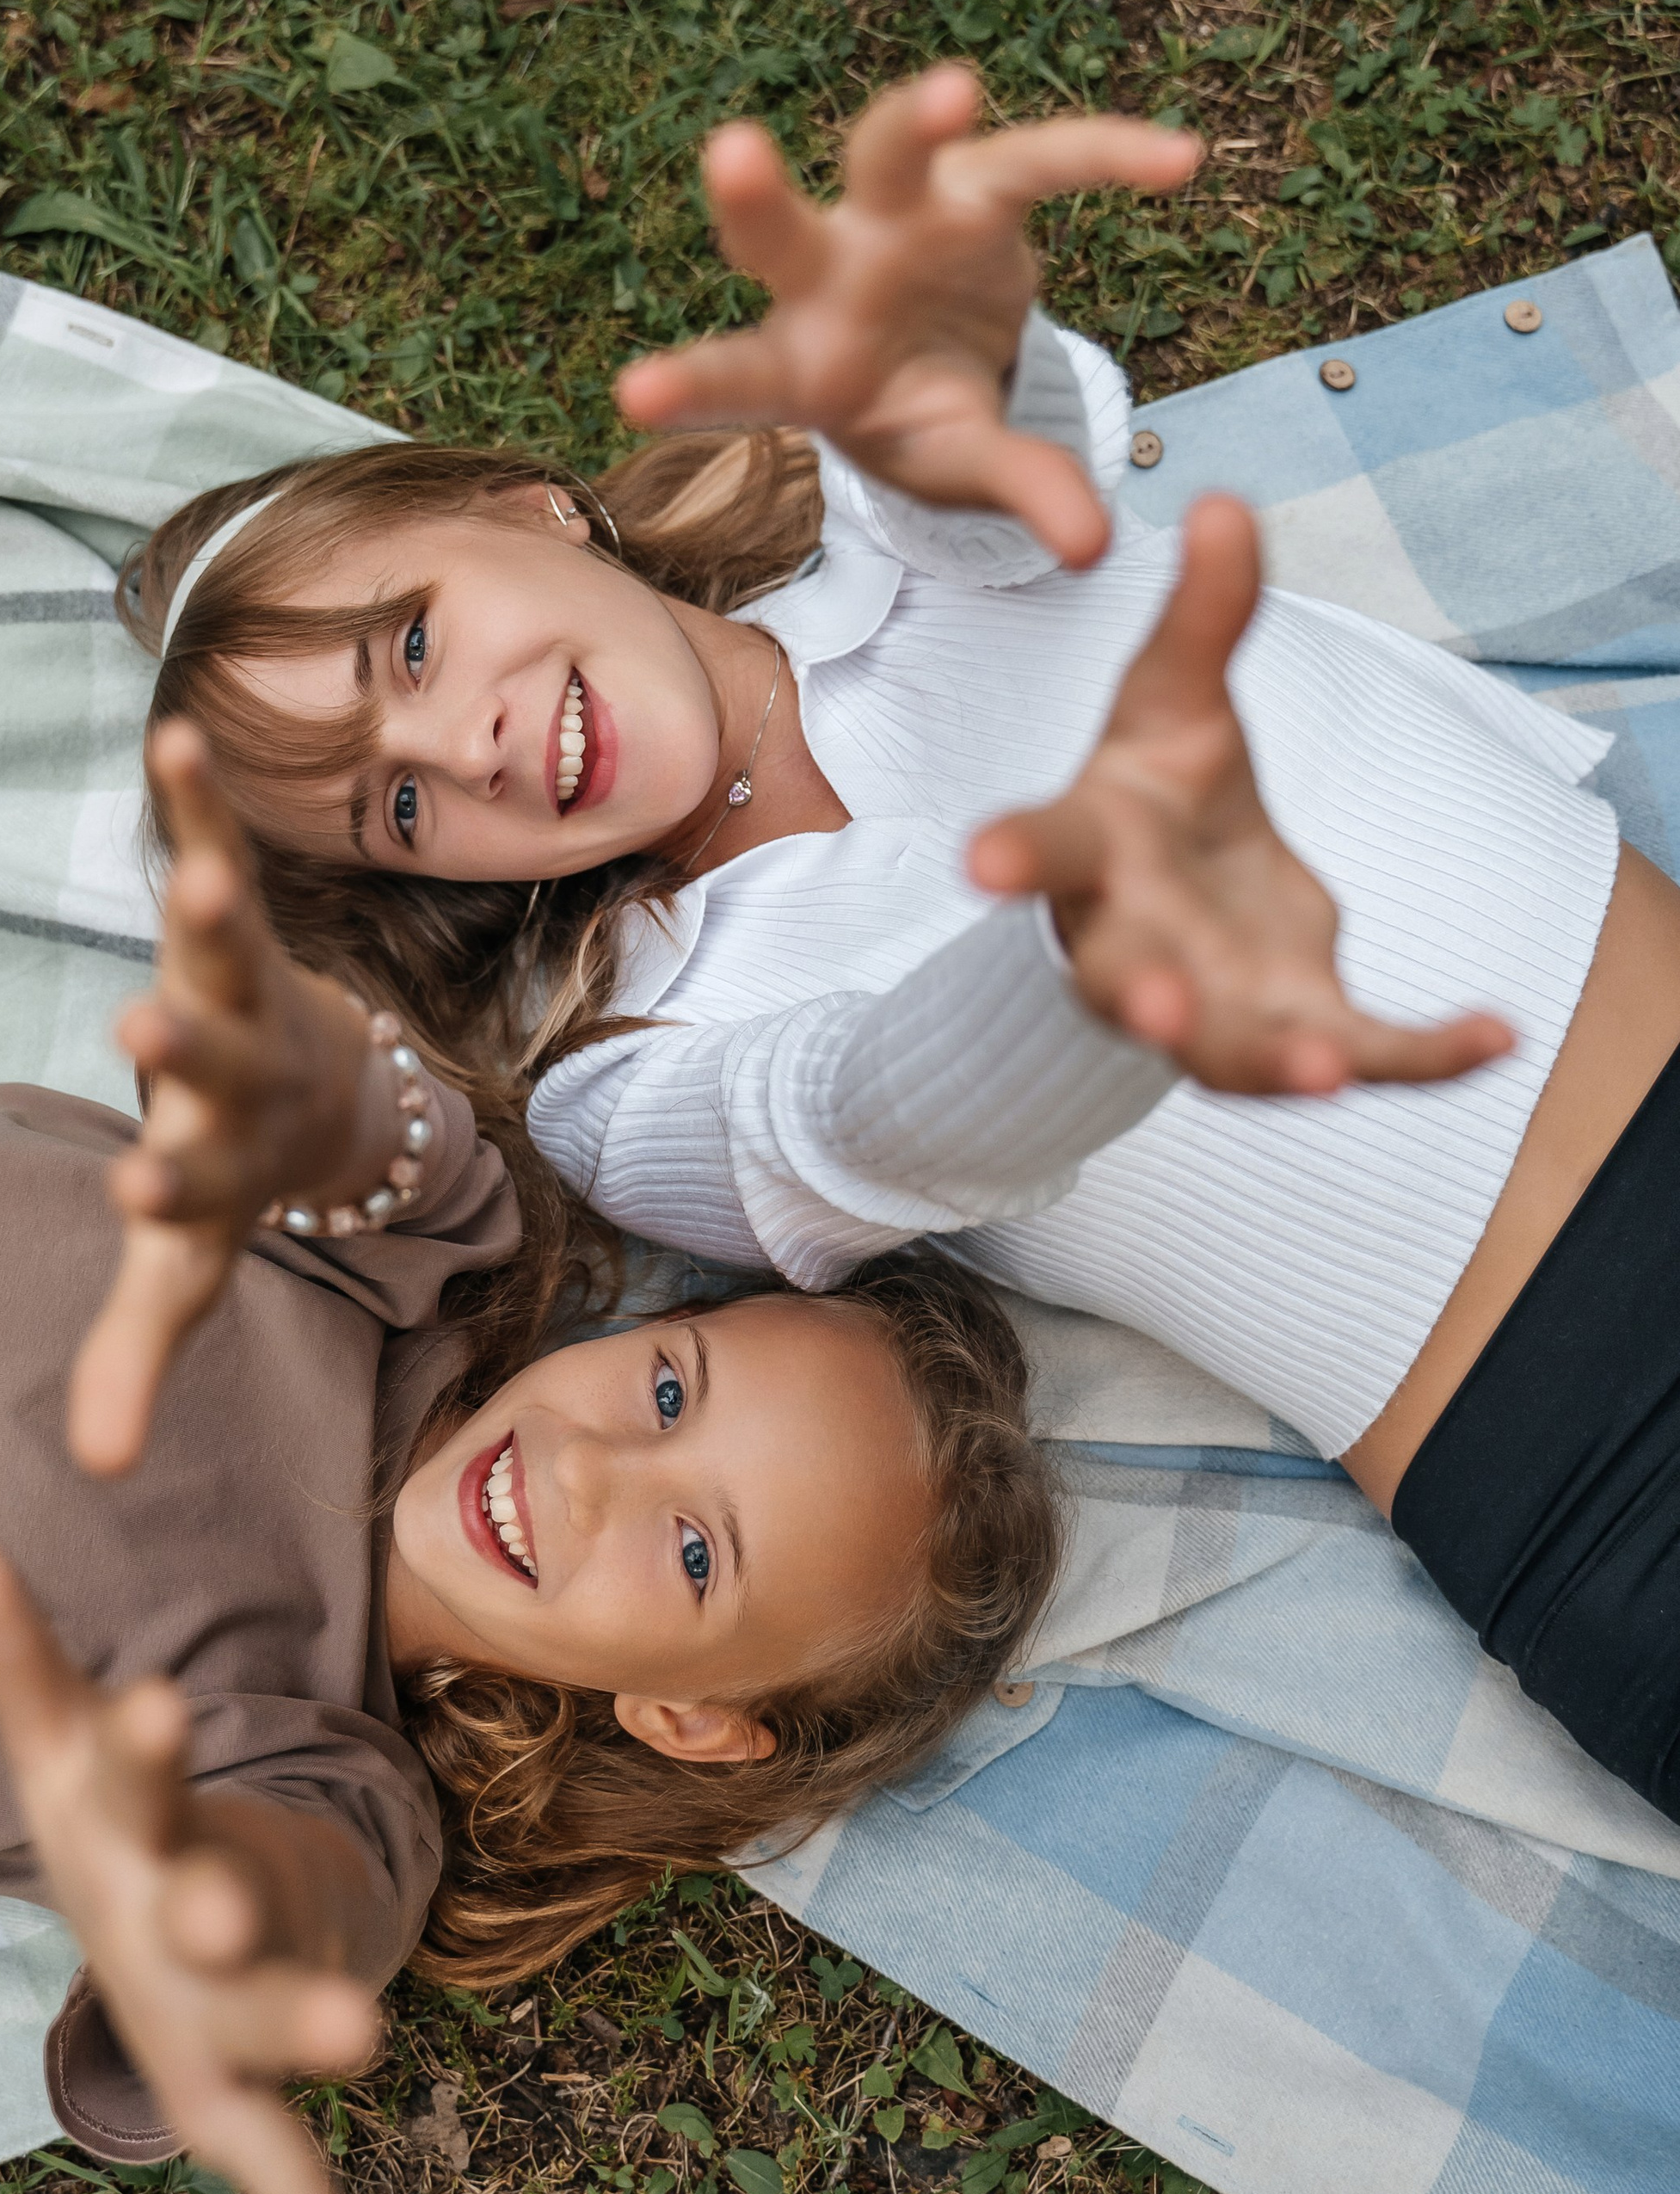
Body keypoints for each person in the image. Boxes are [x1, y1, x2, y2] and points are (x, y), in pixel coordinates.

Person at [119, 67, 1680, 1828]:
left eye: (409, 646)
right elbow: (863, 1114)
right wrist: (1080, 965)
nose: (455, 745)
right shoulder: (626, 1074)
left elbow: (1002, 483)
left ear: (521, 507)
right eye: (394, 808)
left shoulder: (896, 552)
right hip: (1589, 1466)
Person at [0, 733, 1056, 2194]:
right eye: (666, 1386)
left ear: (689, 1718)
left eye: (698, 1551)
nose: (585, 1470)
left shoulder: (328, 1770)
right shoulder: (407, 1268)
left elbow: (296, 1916)